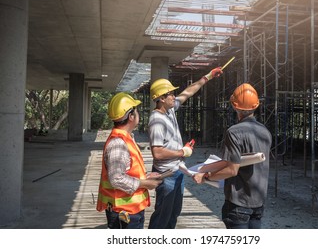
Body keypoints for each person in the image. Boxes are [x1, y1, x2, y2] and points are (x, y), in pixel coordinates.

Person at [148, 67, 223, 229]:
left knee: (173, 214)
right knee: (162, 217)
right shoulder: (157, 121)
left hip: (177, 171)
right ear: (161, 98)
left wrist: (207, 76)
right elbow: (157, 153)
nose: (174, 96)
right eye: (170, 94)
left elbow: (187, 93)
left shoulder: (169, 110)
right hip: (166, 175)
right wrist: (182, 151)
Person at [193, 83, 272, 229]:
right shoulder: (265, 132)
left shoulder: (234, 132)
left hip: (239, 203)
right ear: (256, 105)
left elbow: (232, 170)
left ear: (235, 106)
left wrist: (206, 176)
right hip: (258, 203)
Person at [96, 92, 162, 229]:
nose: (138, 114)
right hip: (124, 213)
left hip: (130, 211)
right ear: (131, 116)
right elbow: (116, 178)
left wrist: (145, 177)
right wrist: (145, 183)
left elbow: (128, 171)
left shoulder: (125, 138)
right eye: (136, 111)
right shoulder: (118, 143)